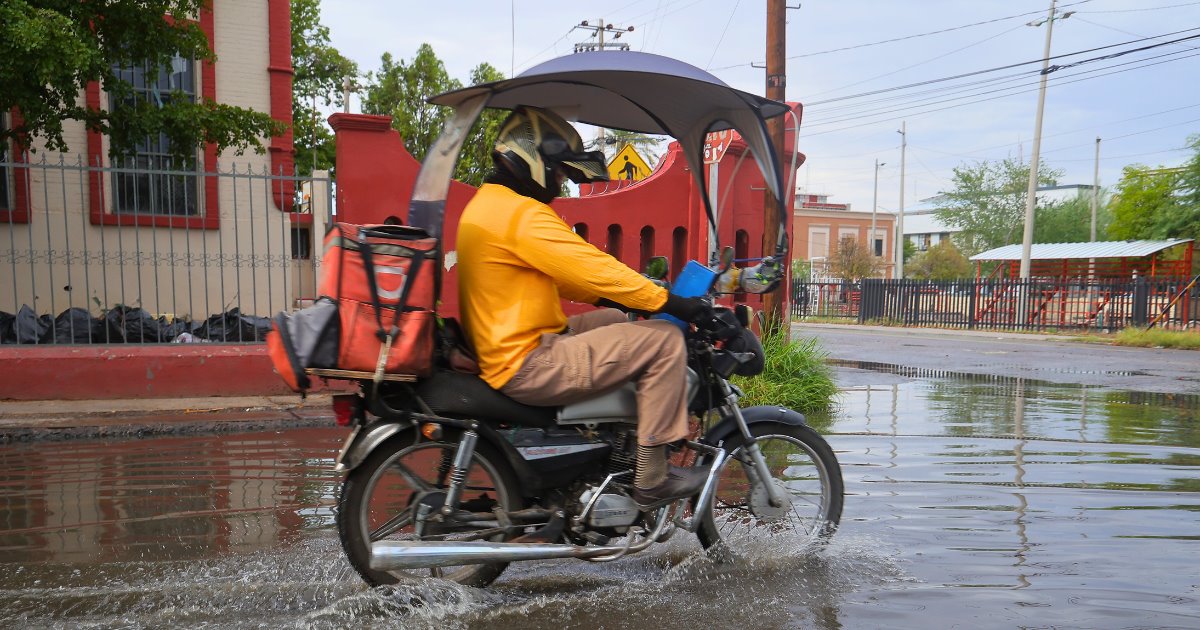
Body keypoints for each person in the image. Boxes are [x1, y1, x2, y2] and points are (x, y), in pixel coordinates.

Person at [456, 106, 712, 509]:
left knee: (615, 318)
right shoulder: (520, 215)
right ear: (532, 161)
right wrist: (673, 303)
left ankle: (607, 447)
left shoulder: (490, 205)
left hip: (514, 343)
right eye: (558, 172)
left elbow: (569, 276)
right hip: (527, 361)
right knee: (663, 342)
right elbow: (592, 266)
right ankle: (651, 477)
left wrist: (622, 297)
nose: (559, 184)